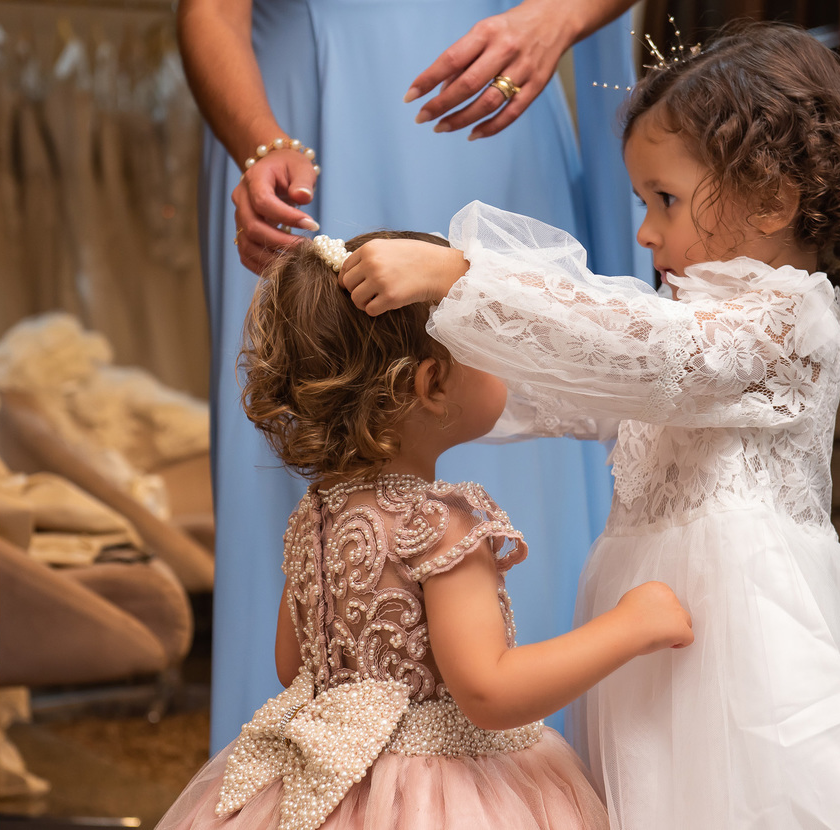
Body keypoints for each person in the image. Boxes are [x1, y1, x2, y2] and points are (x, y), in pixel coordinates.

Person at [337, 24, 840, 830]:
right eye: (643, 202)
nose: (644, 232)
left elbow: (655, 357)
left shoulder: (784, 323)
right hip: (652, 636)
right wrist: (417, 388)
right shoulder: (674, 329)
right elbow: (572, 386)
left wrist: (464, 278)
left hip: (747, 642)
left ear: (771, 199)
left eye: (664, 199)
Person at [176, 0, 648, 747]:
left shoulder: (326, 531)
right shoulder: (455, 528)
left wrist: (560, 17)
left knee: (507, 375)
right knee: (343, 347)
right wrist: (258, 142)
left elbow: (287, 660)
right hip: (299, 111)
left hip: (490, 99)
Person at [154, 231, 694, 830]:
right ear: (433, 384)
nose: (504, 357)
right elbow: (489, 692)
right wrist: (631, 626)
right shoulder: (440, 525)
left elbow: (294, 666)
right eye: (485, 341)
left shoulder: (319, 515)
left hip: (328, 788)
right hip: (447, 800)